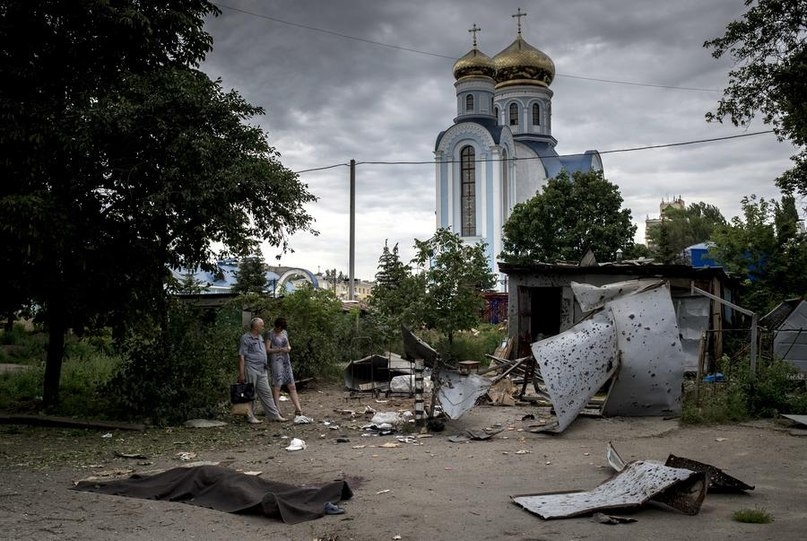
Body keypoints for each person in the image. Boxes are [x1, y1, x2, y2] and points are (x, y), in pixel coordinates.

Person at [237, 317, 287, 423]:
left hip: (262, 369)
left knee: (266, 392)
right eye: (261, 325)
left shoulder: (260, 337)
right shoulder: (246, 338)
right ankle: (250, 416)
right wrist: (241, 373)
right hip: (251, 368)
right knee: (250, 393)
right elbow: (241, 356)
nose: (263, 327)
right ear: (256, 326)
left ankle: (274, 415)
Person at [266, 317, 303, 417]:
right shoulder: (270, 334)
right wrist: (279, 350)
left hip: (286, 360)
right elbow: (267, 349)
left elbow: (288, 345)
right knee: (277, 385)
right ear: (276, 326)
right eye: (279, 328)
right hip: (276, 361)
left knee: (291, 384)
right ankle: (277, 409)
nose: (280, 330)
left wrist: (288, 349)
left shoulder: (285, 333)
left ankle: (298, 408)